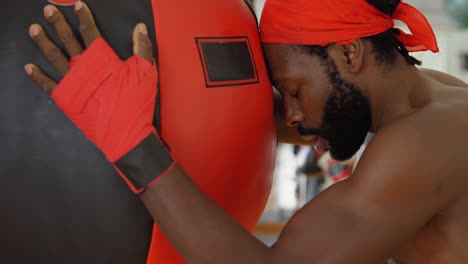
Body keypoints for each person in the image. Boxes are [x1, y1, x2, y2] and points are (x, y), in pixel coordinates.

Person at [25, 0, 468, 263]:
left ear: (349, 54)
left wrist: (133, 142)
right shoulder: (437, 97)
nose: (290, 115)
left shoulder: (423, 143)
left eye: (294, 90)